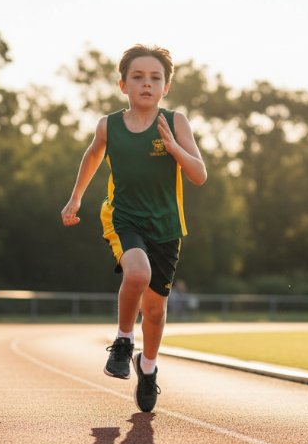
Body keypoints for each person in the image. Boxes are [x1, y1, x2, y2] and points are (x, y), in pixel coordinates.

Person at [61, 44, 207, 412]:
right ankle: (124, 340)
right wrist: (76, 198)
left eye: (155, 78)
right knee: (137, 273)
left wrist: (174, 148)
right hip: (123, 217)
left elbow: (199, 175)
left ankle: (149, 367)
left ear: (166, 86)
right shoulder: (109, 125)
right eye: (138, 77)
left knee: (156, 311)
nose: (147, 84)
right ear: (123, 84)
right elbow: (93, 154)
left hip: (167, 226)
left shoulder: (176, 122)